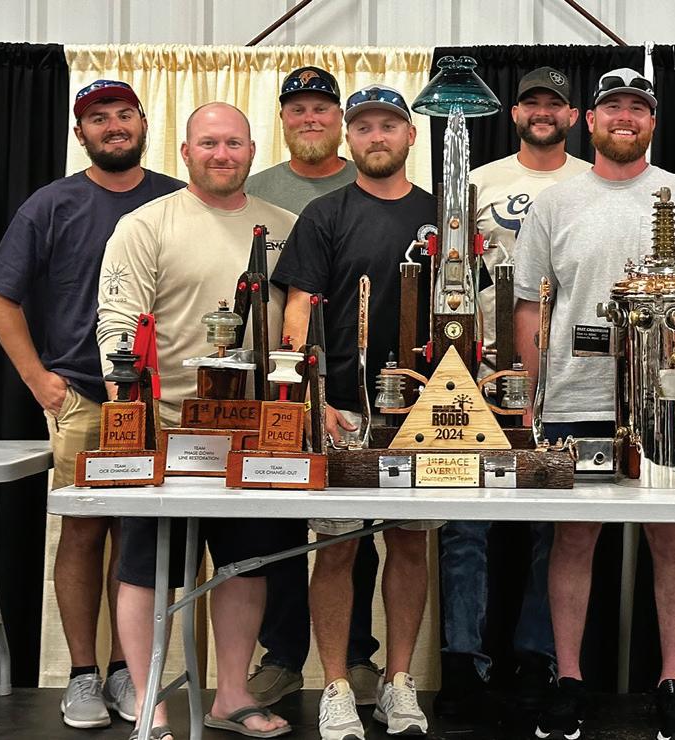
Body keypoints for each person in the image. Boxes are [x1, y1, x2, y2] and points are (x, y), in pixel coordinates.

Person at [513, 68, 675, 740]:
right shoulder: (555, 203)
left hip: (669, 400)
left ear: (653, 122)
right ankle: (568, 679)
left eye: (638, 107)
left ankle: (672, 681)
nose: (625, 117)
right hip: (575, 398)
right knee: (573, 537)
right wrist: (533, 398)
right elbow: (530, 305)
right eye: (613, 107)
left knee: (672, 535)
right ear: (591, 120)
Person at [0, 78, 182, 730]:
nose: (114, 125)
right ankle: (83, 674)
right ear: (80, 133)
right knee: (84, 529)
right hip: (85, 398)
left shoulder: (176, 200)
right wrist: (38, 378)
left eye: (124, 113)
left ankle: (129, 671)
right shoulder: (52, 204)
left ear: (143, 121)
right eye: (99, 118)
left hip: (161, 403)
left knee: (141, 535)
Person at [96, 101, 296, 740]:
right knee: (147, 567)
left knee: (246, 564)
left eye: (234, 143)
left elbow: (295, 329)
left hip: (251, 431)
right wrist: (130, 415)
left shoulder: (284, 227)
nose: (221, 154)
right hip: (165, 427)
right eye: (208, 143)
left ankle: (231, 695)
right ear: (185, 152)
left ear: (252, 151)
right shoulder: (145, 224)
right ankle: (150, 701)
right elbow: (118, 324)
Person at [270, 83, 437, 740]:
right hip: (342, 412)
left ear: (410, 136)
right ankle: (336, 686)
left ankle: (398, 683)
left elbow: (471, 315)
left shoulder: (442, 215)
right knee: (336, 550)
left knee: (411, 544)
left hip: (423, 417)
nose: (376, 137)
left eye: (388, 126)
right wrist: (313, 402)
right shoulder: (325, 215)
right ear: (350, 136)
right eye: (364, 126)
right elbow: (297, 312)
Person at [435, 65, 589, 718]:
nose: (543, 111)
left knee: (555, 526)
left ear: (574, 116)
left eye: (555, 102)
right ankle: (462, 661)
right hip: (477, 370)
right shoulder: (475, 181)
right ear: (515, 113)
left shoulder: (592, 184)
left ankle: (537, 656)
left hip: (567, 377)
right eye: (532, 102)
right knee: (463, 520)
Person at [243, 64, 384, 711]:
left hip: (360, 391)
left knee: (352, 534)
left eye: (321, 108)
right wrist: (300, 389)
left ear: (341, 123)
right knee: (277, 529)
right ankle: (281, 657)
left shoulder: (372, 184)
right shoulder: (257, 189)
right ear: (282, 119)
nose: (309, 118)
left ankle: (356, 655)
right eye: (296, 108)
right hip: (280, 386)